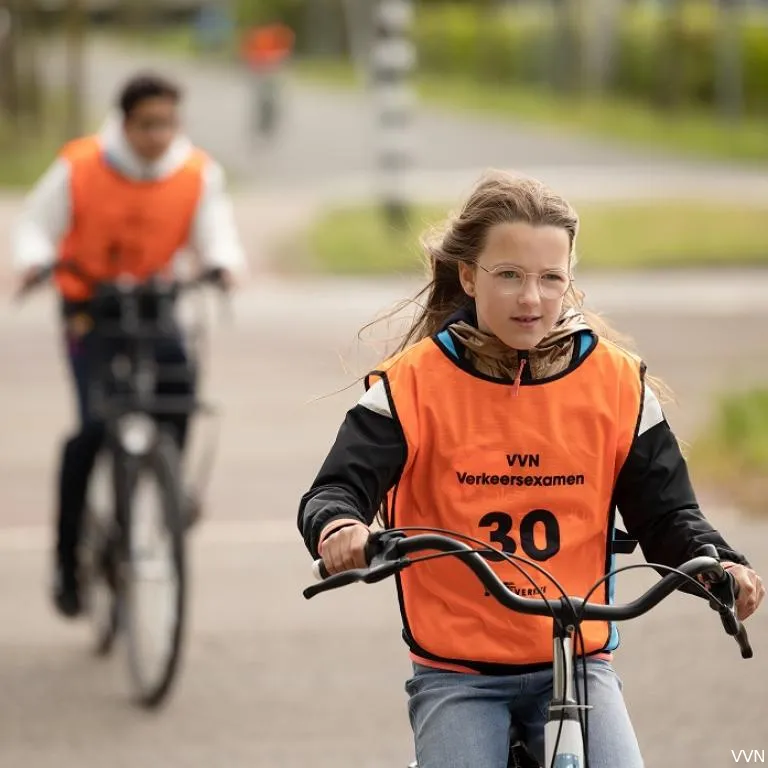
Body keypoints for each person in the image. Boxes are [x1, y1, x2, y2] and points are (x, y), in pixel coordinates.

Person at [298, 171, 764, 768]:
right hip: (458, 674)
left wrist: (720, 565)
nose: (532, 298)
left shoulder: (618, 385)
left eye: (551, 279)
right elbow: (335, 489)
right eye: (509, 276)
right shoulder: (410, 384)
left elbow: (670, 515)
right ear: (468, 275)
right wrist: (341, 529)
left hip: (576, 658)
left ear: (570, 280)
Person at [12, 72, 246, 619]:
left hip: (154, 301)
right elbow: (36, 226)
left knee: (180, 395)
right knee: (93, 426)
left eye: (168, 123)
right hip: (90, 308)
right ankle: (67, 560)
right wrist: (34, 261)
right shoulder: (80, 165)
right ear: (124, 122)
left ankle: (167, 486)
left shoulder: (196, 172)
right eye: (147, 124)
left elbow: (217, 231)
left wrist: (223, 264)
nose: (159, 135)